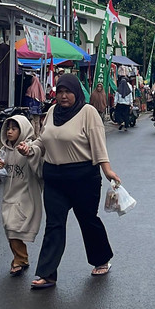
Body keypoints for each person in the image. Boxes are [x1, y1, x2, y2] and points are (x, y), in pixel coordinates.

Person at [19, 75, 121, 290]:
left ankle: (101, 259)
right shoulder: (52, 112)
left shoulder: (88, 112)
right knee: (54, 224)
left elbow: (98, 144)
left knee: (88, 220)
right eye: (60, 92)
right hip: (54, 178)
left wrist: (107, 170)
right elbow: (43, 140)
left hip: (83, 177)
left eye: (68, 92)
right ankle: (47, 274)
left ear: (77, 92)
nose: (63, 96)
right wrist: (30, 148)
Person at [0, 114, 43, 276]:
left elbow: (40, 168)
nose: (9, 132)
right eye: (8, 129)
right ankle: (21, 258)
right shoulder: (5, 150)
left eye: (14, 129)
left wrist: (28, 153)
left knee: (13, 226)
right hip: (9, 195)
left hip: (26, 194)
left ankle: (19, 259)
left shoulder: (30, 147)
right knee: (9, 227)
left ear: (22, 130)